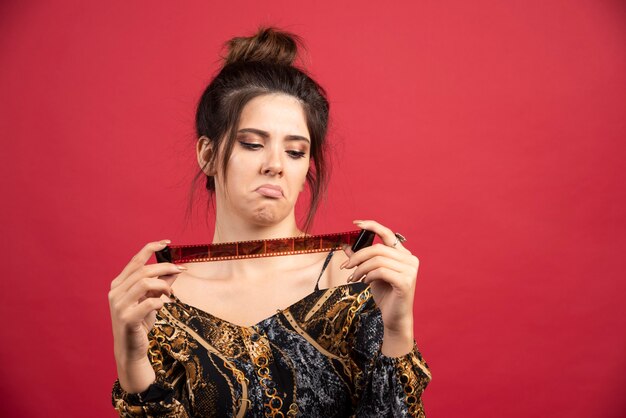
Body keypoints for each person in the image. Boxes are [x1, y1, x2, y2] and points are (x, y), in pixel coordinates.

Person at [109, 26, 431, 417]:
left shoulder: (356, 283)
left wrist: (398, 332)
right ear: (207, 155)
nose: (275, 165)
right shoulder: (158, 305)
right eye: (252, 144)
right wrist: (132, 363)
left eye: (295, 152)